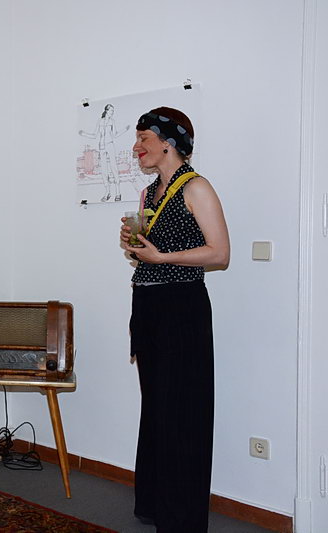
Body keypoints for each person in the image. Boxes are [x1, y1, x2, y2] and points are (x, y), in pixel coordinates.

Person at [119, 107, 230, 532]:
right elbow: (147, 253)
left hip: (182, 308)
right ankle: (156, 504)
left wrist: (161, 257)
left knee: (183, 411)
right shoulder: (150, 194)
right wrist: (135, 246)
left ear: (168, 142)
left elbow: (220, 253)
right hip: (148, 305)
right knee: (157, 408)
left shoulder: (196, 187)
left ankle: (181, 517)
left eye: (143, 138)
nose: (137, 147)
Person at [79, 103, 131, 202]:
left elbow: (115, 135)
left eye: (113, 111)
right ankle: (107, 193)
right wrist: (83, 134)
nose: (112, 112)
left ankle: (118, 193)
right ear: (106, 110)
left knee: (113, 167)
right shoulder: (100, 121)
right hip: (101, 146)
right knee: (104, 170)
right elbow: (94, 135)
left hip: (110, 145)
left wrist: (125, 129)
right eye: (111, 110)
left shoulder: (112, 121)